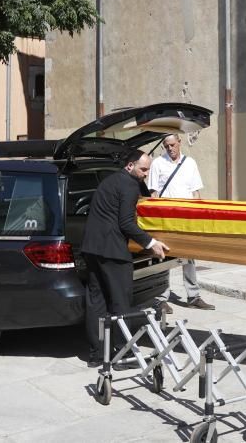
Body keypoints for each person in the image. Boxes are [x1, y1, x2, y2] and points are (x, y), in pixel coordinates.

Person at [82, 149, 170, 366]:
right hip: (113, 252)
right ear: (130, 165)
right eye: (143, 169)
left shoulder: (109, 181)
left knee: (97, 303)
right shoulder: (129, 185)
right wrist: (151, 243)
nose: (146, 174)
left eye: (148, 169)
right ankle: (124, 353)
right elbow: (126, 223)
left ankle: (96, 355)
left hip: (92, 249)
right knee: (121, 302)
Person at [147, 134, 215, 312]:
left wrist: (199, 219)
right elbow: (153, 195)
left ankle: (193, 297)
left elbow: (195, 193)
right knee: (163, 258)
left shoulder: (190, 163)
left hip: (186, 219)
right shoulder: (157, 164)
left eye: (172, 145)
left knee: (189, 258)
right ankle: (161, 298)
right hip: (165, 219)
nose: (170, 149)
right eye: (166, 146)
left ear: (179, 143)